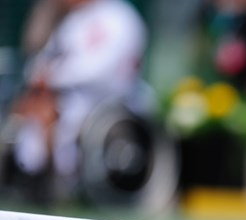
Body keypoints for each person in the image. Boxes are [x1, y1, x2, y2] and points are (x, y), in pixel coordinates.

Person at [6, 0, 148, 202]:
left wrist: (56, 77)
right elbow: (48, 56)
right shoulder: (74, 19)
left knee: (60, 110)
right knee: (31, 107)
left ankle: (61, 179)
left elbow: (106, 67)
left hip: (106, 97)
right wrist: (41, 76)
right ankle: (33, 171)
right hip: (67, 91)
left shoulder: (119, 16)